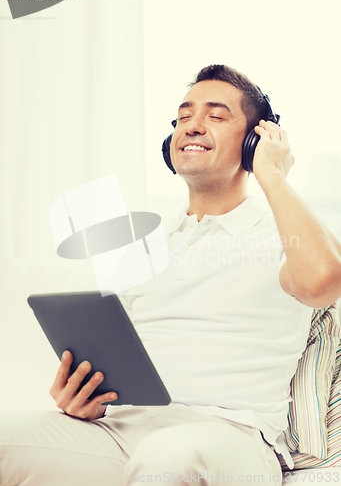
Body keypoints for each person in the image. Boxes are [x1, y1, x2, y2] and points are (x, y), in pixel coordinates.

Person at [1, 64, 341, 486]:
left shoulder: (285, 233)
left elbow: (324, 280)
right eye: (183, 118)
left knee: (169, 458)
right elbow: (116, 353)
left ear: (256, 141)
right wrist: (88, 399)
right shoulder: (139, 242)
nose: (192, 127)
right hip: (120, 433)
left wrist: (271, 173)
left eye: (216, 116)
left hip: (230, 438)